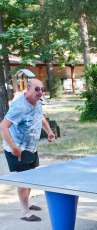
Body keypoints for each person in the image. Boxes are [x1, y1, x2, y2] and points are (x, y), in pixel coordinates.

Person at [0, 79, 56, 222]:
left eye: (42, 89)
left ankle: (28, 203)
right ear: (28, 89)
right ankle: (24, 211)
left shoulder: (38, 103)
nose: (40, 92)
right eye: (37, 89)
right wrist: (14, 148)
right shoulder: (19, 106)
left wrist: (49, 131)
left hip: (31, 148)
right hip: (17, 148)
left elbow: (41, 117)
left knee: (30, 176)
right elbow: (3, 127)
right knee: (23, 178)